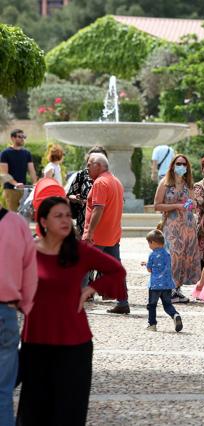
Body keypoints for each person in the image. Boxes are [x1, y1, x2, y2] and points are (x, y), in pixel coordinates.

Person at [17, 197, 126, 426]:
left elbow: (116, 271)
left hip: (74, 344)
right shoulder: (28, 251)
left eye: (68, 215)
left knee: (69, 410)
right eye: (59, 216)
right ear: (44, 221)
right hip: (36, 342)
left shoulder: (80, 251)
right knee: (34, 409)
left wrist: (91, 289)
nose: (66, 220)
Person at [0, 205, 37, 425]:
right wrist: (24, 306)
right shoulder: (16, 224)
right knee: (3, 391)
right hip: (6, 310)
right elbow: (30, 273)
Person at [82, 153, 129, 313]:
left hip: (98, 235)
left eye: (89, 164)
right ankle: (123, 302)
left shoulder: (100, 183)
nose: (87, 168)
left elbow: (98, 208)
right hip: (112, 234)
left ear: (99, 165)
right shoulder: (116, 181)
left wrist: (89, 233)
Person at [154, 154, 200, 303]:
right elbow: (157, 205)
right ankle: (169, 290)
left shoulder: (188, 185)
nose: (181, 166)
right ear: (173, 165)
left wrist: (192, 204)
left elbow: (193, 204)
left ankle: (177, 289)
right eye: (179, 163)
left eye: (184, 164)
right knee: (173, 256)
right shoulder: (165, 183)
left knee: (185, 258)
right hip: (172, 226)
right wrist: (176, 206)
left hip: (188, 226)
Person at [142, 230, 183, 332]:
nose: (149, 246)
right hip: (167, 284)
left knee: (152, 305)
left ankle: (152, 325)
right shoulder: (167, 254)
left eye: (149, 243)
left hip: (155, 285)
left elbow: (149, 269)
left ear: (153, 242)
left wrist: (146, 264)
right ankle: (175, 314)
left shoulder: (152, 255)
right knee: (167, 305)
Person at [67, 146, 108, 236]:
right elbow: (70, 194)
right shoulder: (82, 175)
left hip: (104, 221)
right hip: (83, 221)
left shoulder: (108, 177)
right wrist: (77, 199)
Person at [0, 129, 37, 212]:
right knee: (12, 215)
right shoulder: (5, 153)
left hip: (24, 190)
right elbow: (4, 173)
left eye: (23, 137)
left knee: (24, 215)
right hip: (10, 189)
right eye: (19, 137)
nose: (22, 139)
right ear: (12, 138)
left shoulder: (26, 153)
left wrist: (35, 183)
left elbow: (32, 171)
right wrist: (16, 183)